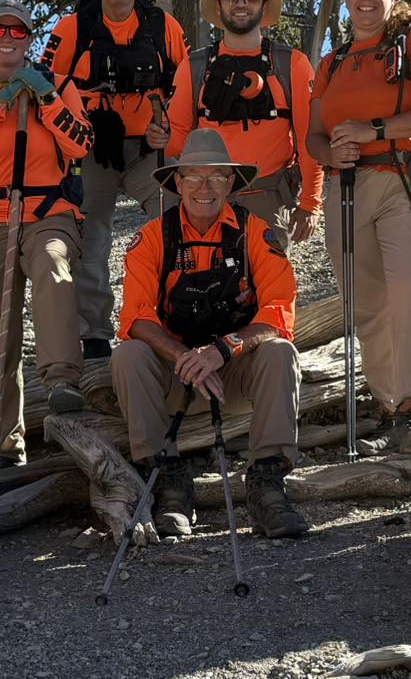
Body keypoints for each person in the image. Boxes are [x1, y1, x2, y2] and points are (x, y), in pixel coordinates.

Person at [112, 128, 309, 540]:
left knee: (281, 352)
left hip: (231, 377)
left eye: (216, 176)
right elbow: (136, 317)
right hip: (176, 378)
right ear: (178, 182)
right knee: (127, 354)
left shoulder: (255, 233)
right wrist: (187, 359)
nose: (205, 187)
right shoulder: (152, 237)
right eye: (194, 177)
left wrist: (223, 350)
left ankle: (268, 484)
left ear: (231, 182)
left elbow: (279, 310)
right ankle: (167, 481)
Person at [308, 0, 411, 455]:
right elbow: (314, 136)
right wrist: (332, 154)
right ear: (345, 0)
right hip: (346, 186)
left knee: (408, 286)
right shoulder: (332, 62)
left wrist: (372, 132)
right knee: (365, 301)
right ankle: (388, 408)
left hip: (405, 180)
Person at [0, 0, 97, 467]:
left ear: (30, 39)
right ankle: (6, 446)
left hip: (48, 211)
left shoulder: (62, 86)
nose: (7, 38)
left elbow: (81, 143)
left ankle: (62, 380)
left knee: (52, 263)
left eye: (17, 31)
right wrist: (0, 104)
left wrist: (47, 99)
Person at [37, 0, 189, 360]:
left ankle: (176, 316)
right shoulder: (72, 28)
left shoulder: (163, 27)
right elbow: (45, 87)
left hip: (147, 148)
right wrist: (78, 123)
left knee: (177, 218)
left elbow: (185, 87)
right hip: (91, 149)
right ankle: (95, 336)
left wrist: (168, 129)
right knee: (92, 238)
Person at [166, 0, 321, 241]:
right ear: (218, 6)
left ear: (263, 5)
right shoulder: (194, 66)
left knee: (270, 270)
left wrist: (310, 203)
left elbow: (309, 137)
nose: (241, 3)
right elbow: (177, 137)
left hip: (271, 198)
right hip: (208, 198)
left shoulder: (292, 64)